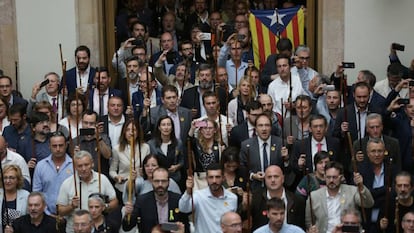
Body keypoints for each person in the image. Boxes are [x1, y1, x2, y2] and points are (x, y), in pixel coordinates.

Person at [57, 150, 118, 233]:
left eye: (86, 165)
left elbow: (114, 201)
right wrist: (71, 206)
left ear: (92, 163)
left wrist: (104, 207)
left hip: (98, 228)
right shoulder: (67, 183)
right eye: (80, 166)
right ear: (75, 167)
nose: (84, 169)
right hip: (75, 229)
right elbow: (60, 211)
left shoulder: (102, 179)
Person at [305, 161, 374, 233]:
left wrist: (361, 186)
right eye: (328, 177)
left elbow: (369, 203)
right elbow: (308, 222)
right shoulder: (314, 196)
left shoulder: (352, 191)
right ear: (324, 177)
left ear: (341, 177)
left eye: (334, 177)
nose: (331, 180)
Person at [122, 167, 189, 233]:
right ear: (152, 181)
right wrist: (127, 214)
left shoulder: (178, 200)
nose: (160, 184)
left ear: (169, 182)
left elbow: (186, 227)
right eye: (157, 181)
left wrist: (180, 230)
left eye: (163, 181)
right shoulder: (142, 201)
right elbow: (127, 227)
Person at [179, 163, 238, 233]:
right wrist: (188, 192)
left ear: (223, 178)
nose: (214, 181)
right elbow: (183, 208)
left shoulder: (232, 198)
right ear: (206, 178)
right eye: (211, 177)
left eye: (217, 177)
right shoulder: (199, 196)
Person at [239, 114, 289, 191]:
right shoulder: (246, 145)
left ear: (271, 127)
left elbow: (288, 170)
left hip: (276, 189)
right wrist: (253, 175)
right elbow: (241, 167)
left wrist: (286, 160)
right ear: (255, 128)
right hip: (256, 189)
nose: (264, 129)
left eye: (267, 125)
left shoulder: (281, 144)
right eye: (260, 125)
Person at [250, 165, 305, 231]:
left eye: (276, 176)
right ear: (265, 180)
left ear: (283, 179)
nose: (273, 180)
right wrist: (244, 206)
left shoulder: (297, 200)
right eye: (269, 177)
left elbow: (302, 224)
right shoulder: (255, 199)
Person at [33, 131, 74, 216]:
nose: (58, 149)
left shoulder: (74, 165)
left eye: (61, 145)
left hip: (70, 215)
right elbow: (37, 193)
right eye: (54, 146)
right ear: (49, 147)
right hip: (46, 216)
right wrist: (47, 214)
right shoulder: (40, 166)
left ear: (66, 145)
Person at [110, 118, 150, 202]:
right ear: (124, 132)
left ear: (138, 132)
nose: (131, 133)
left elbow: (149, 167)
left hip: (141, 188)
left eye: (134, 130)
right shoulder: (117, 149)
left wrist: (144, 172)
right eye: (128, 130)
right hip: (123, 188)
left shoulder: (145, 147)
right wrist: (117, 177)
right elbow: (112, 170)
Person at [71, 110, 112, 177]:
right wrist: (75, 156)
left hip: (100, 177)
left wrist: (98, 138)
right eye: (85, 123)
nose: (88, 126)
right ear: (82, 123)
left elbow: (107, 155)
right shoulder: (75, 141)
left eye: (91, 123)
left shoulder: (103, 138)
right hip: (82, 177)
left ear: (96, 124)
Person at [147, 116, 184, 184]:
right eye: (163, 125)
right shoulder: (151, 144)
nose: (166, 127)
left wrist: (176, 167)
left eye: (168, 125)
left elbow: (182, 160)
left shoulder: (178, 143)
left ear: (172, 127)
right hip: (157, 180)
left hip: (174, 179)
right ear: (159, 127)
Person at [188, 119, 222, 190]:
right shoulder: (196, 144)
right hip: (199, 180)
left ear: (215, 130)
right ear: (201, 130)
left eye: (210, 128)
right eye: (205, 128)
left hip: (214, 179)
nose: (208, 131)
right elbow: (188, 142)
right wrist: (192, 129)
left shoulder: (220, 146)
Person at [267, 54, 305, 118]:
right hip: (280, 123)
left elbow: (306, 101)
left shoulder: (298, 81)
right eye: (279, 66)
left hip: (298, 120)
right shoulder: (272, 86)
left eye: (284, 66)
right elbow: (271, 108)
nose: (282, 69)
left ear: (290, 67)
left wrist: (294, 105)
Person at [0, 165, 30, 229]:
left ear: (18, 180)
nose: (8, 181)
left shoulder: (26, 196)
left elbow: (30, 221)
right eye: (5, 178)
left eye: (12, 178)